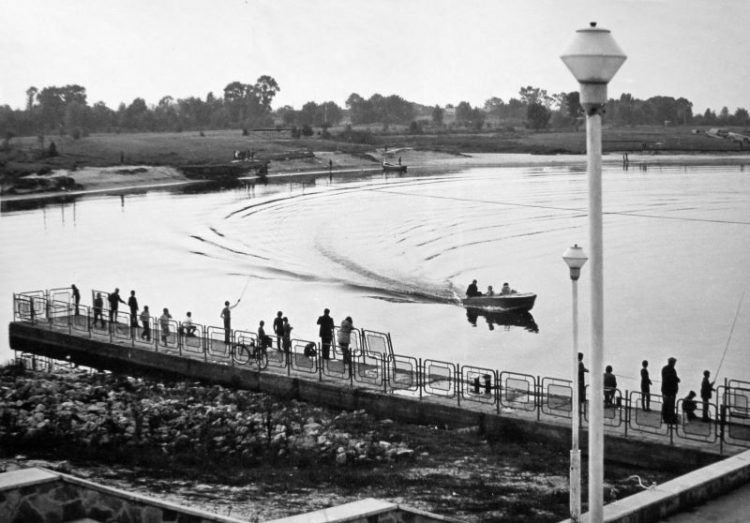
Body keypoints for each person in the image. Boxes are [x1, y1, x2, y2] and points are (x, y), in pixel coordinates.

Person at [661, 357, 681, 424]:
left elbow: (672, 377)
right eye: (674, 362)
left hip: (668, 391)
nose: (674, 364)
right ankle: (668, 419)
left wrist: (676, 379)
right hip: (669, 392)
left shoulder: (667, 369)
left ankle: (668, 418)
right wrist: (676, 379)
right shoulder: (670, 369)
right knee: (668, 406)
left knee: (667, 405)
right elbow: (670, 379)